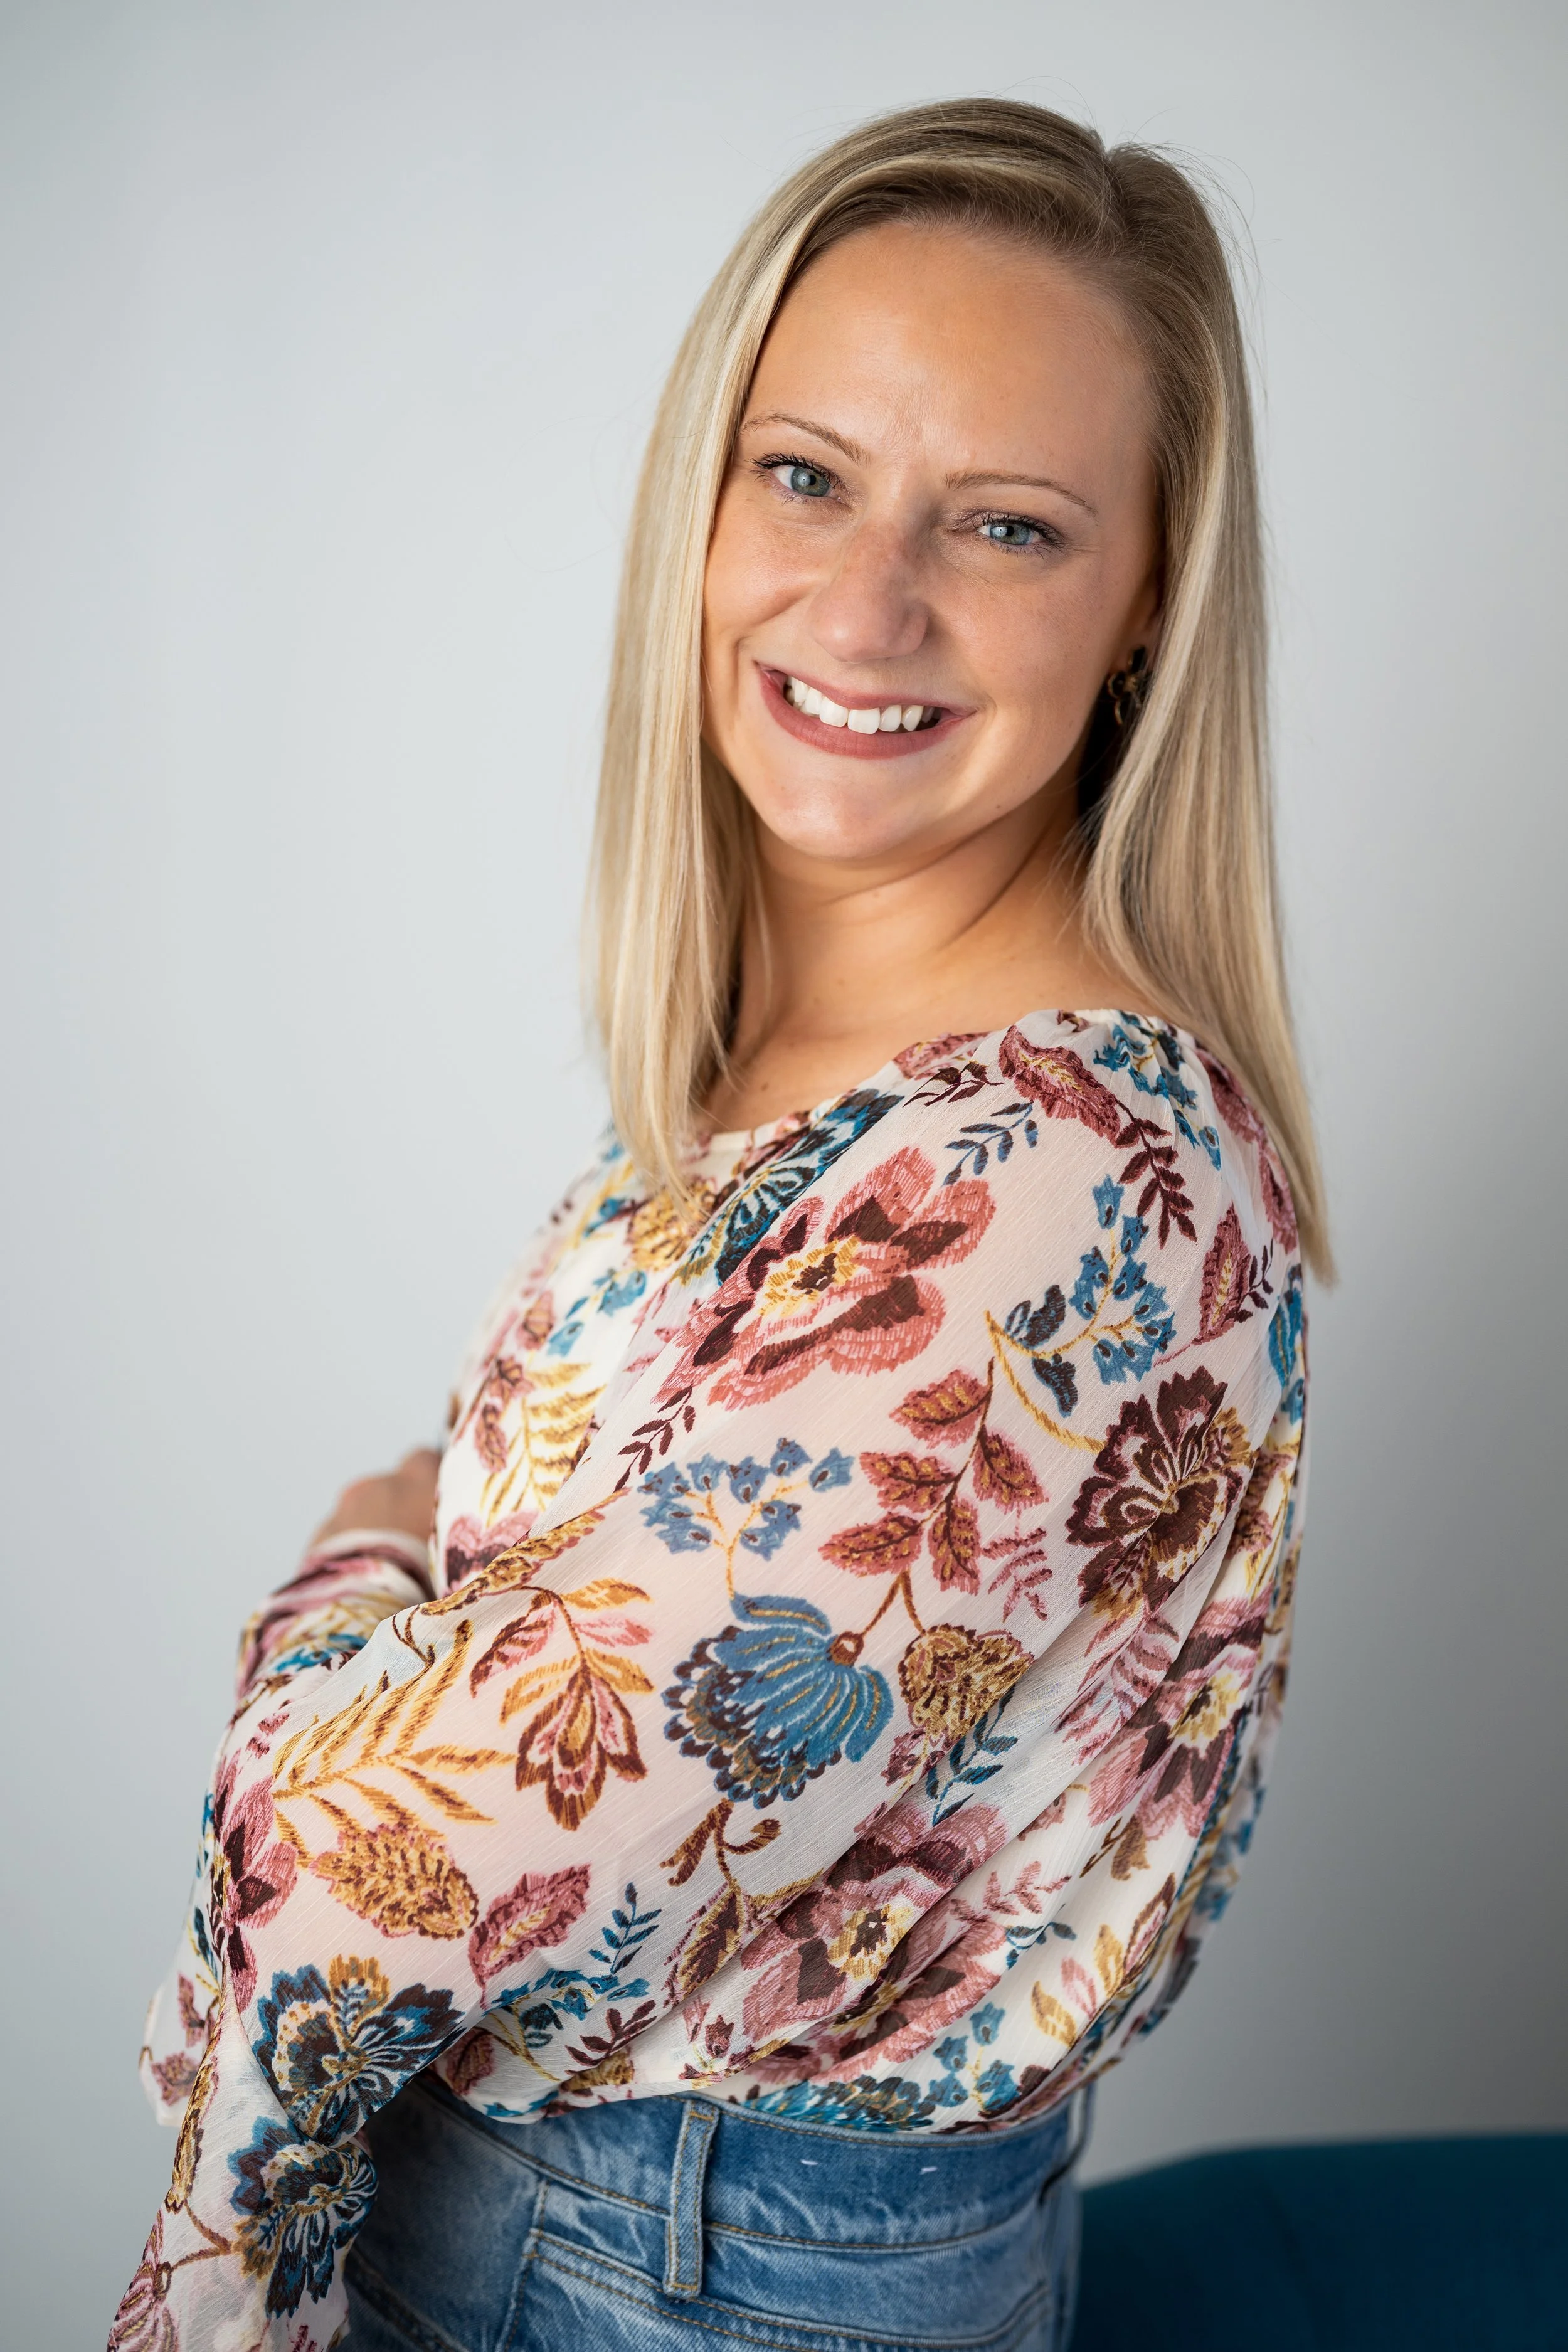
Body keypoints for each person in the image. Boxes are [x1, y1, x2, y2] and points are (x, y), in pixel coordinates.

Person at [114, 97, 1325, 2352]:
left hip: (666, 2271)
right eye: (805, 474)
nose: (866, 604)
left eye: (1009, 525)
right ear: (703, 492)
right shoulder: (812, 1072)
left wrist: (368, 1553)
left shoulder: (1039, 1183)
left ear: (1149, 586)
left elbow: (345, 1869)